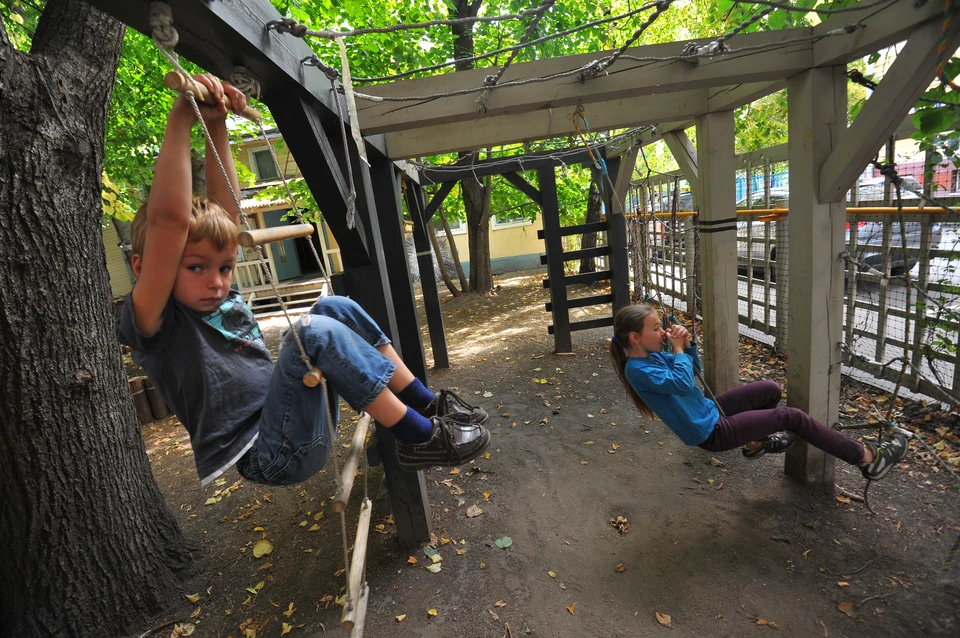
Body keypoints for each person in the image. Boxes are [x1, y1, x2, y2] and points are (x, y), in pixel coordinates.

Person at [116, 74, 489, 487]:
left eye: (224, 267)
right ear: (142, 268)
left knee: (336, 308)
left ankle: (427, 404)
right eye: (195, 268)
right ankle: (418, 437)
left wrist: (216, 122)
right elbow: (167, 222)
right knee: (311, 333)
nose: (218, 282)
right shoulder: (156, 320)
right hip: (271, 453)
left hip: (298, 416)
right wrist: (181, 118)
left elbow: (228, 213)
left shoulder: (218, 298)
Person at [609, 303, 907, 481]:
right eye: (655, 327)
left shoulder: (653, 354)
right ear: (636, 337)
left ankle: (755, 444)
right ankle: (868, 459)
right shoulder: (637, 369)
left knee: (770, 389)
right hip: (709, 431)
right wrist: (676, 350)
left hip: (707, 409)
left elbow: (693, 370)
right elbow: (682, 383)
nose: (662, 331)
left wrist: (687, 348)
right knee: (793, 418)